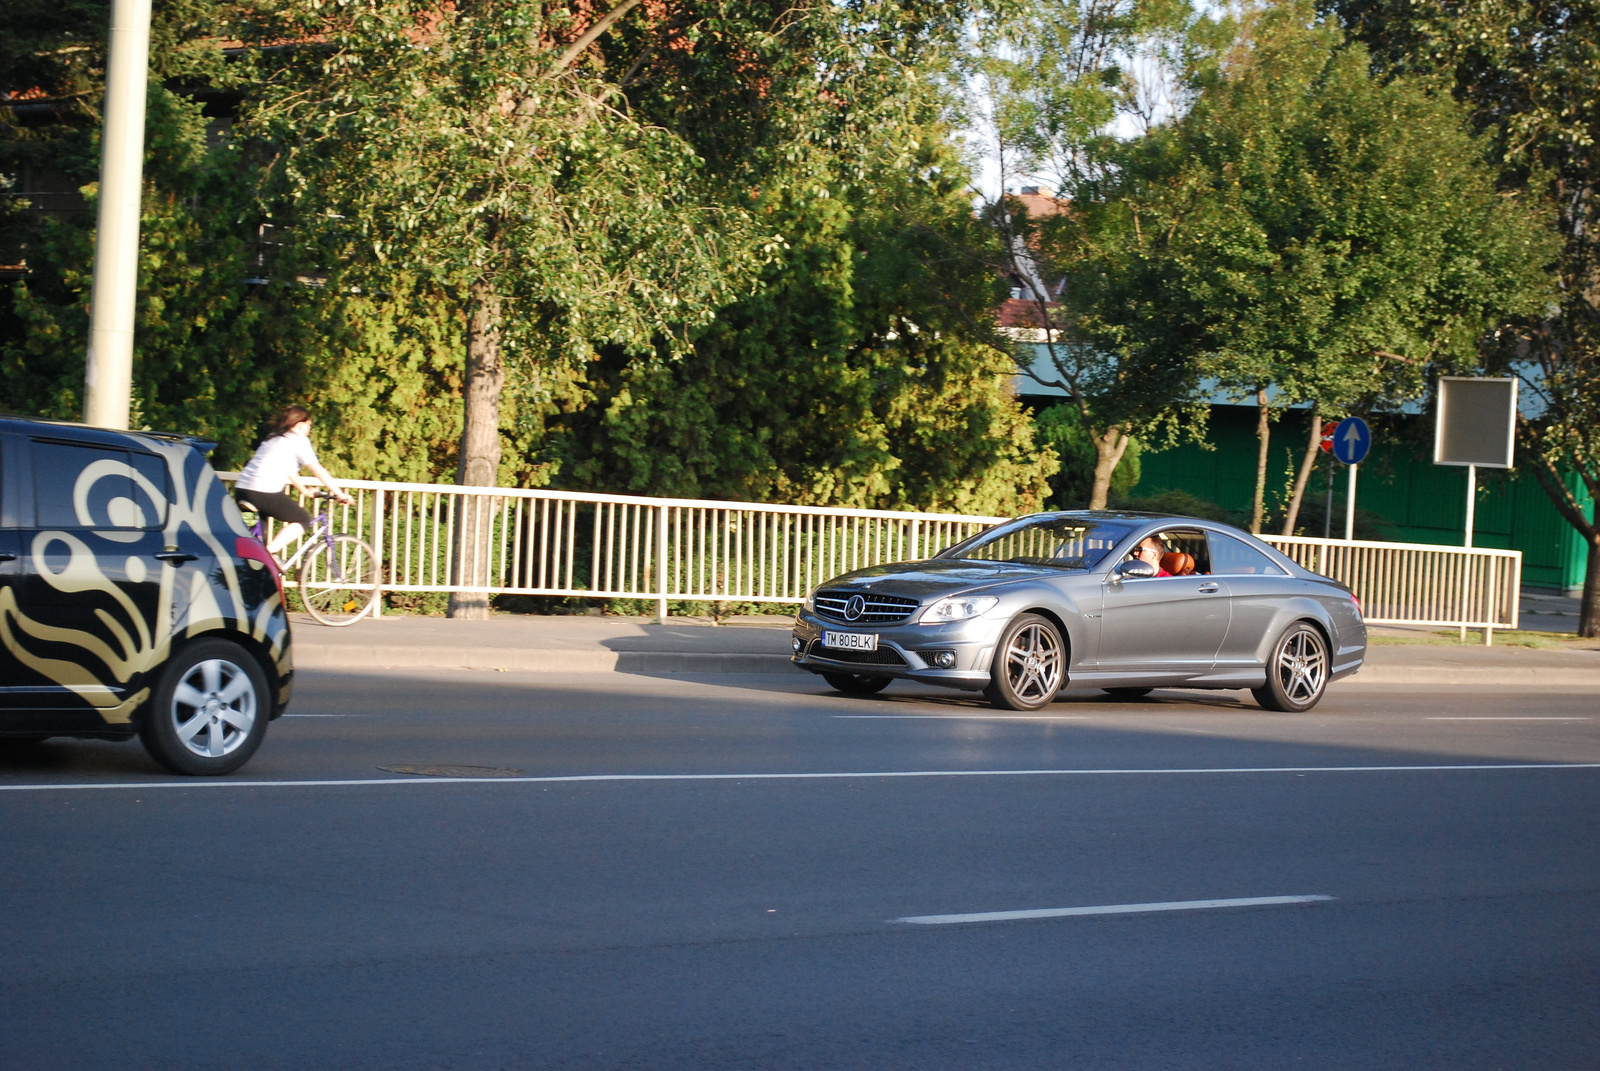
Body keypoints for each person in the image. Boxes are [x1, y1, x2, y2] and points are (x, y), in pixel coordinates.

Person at [234, 405, 354, 555]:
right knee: (302, 520)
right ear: (300, 425)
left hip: (243, 490)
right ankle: (267, 556)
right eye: (309, 425)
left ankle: (257, 561)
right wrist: (340, 493)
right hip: (263, 491)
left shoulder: (275, 437)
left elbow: (290, 470)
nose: (310, 429)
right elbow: (318, 470)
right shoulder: (298, 440)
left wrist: (304, 490)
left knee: (257, 540)